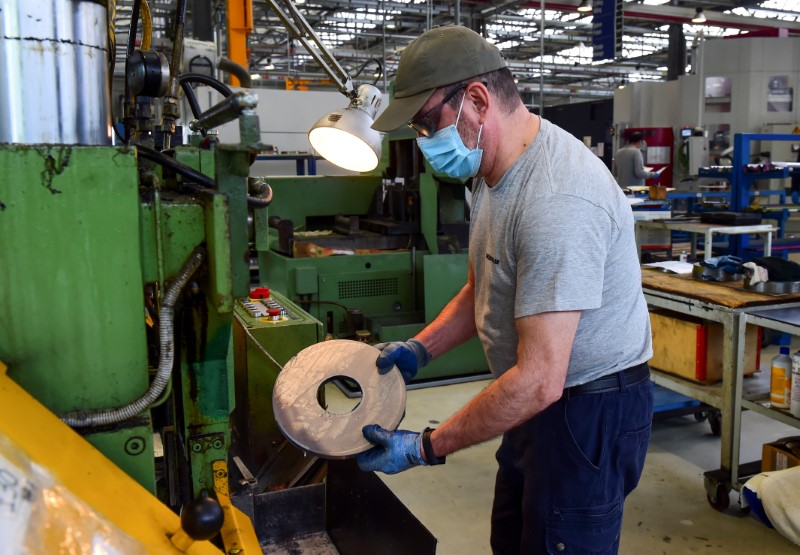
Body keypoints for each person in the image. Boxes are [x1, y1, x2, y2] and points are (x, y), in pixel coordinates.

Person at [356, 25, 653, 554]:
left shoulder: (557, 199)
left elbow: (542, 379)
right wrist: (419, 350)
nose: (424, 142)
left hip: (586, 411)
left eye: (428, 123)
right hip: (534, 400)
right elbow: (483, 288)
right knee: (513, 541)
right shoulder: (492, 174)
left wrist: (426, 446)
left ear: (475, 101)